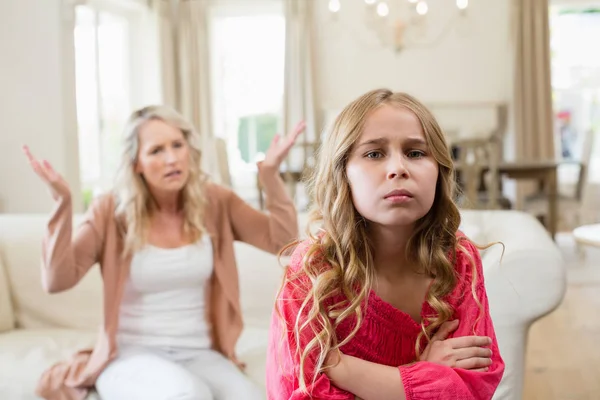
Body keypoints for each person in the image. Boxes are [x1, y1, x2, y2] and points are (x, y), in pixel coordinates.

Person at [23, 105, 305, 400]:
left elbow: (283, 242)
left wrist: (271, 176)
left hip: (201, 354)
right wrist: (62, 204)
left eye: (177, 145)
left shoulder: (215, 202)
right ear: (136, 163)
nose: (172, 158)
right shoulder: (110, 211)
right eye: (156, 150)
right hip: (130, 355)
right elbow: (56, 280)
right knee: (189, 394)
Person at [266, 89, 505, 400]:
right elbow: (299, 393)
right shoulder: (314, 269)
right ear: (343, 174)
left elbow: (472, 388)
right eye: (374, 154)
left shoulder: (458, 258)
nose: (398, 168)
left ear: (439, 171)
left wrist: (345, 370)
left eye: (416, 153)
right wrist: (425, 372)